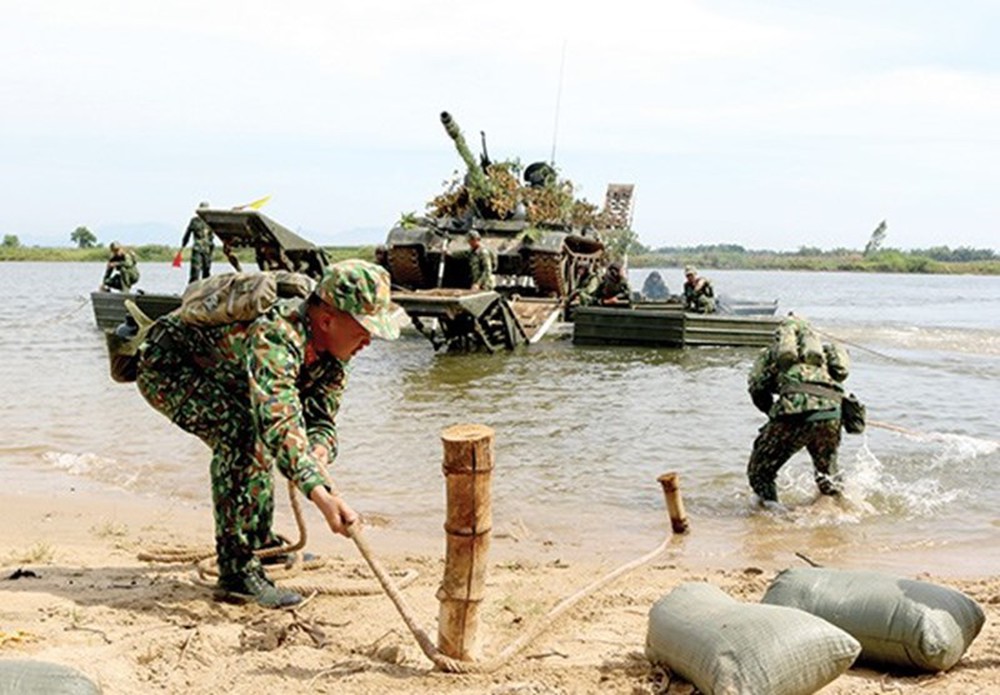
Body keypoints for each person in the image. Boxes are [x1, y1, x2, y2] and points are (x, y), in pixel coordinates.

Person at [135, 259, 400, 608]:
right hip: (167, 369)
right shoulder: (276, 335)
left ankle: (261, 544)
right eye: (365, 329)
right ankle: (236, 571)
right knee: (242, 434)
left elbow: (320, 419)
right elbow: (279, 422)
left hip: (225, 374)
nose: (369, 340)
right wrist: (321, 496)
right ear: (326, 320)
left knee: (254, 432)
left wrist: (318, 451)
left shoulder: (335, 353)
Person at [745, 315, 851, 506]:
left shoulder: (772, 355)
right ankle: (837, 513)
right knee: (828, 476)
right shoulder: (824, 355)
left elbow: (757, 389)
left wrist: (773, 412)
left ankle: (771, 519)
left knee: (760, 472)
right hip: (831, 415)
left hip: (793, 416)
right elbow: (837, 379)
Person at [180, 201, 215, 283]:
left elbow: (215, 234)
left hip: (208, 250)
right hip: (197, 249)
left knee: (206, 271)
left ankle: (205, 292)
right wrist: (183, 246)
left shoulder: (211, 221)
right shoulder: (194, 221)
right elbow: (187, 234)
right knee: (195, 271)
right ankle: (192, 290)